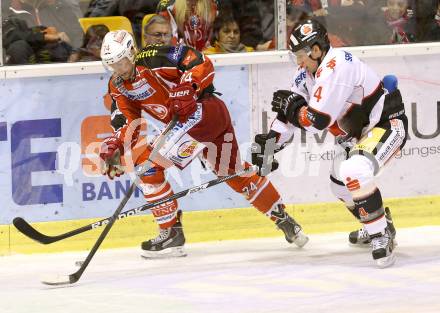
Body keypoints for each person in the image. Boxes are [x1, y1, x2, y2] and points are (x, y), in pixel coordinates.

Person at [98, 30, 309, 258]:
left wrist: (188, 86)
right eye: (112, 65)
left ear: (131, 52)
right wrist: (116, 145)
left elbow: (199, 60)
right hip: (205, 121)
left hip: (201, 115)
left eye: (121, 62)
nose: (118, 69)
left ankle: (171, 233)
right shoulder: (118, 85)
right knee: (233, 172)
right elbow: (127, 121)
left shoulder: (153, 57)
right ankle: (286, 222)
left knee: (147, 169)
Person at [251, 19, 408, 268]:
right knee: (340, 186)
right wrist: (270, 144)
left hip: (386, 126)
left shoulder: (337, 67)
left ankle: (382, 236)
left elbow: (317, 120)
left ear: (316, 49)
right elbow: (289, 113)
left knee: (353, 171)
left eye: (301, 55)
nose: (298, 62)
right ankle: (378, 223)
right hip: (356, 136)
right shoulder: (306, 73)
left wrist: (294, 109)